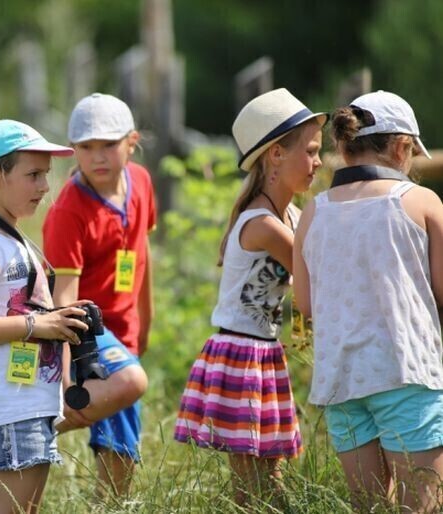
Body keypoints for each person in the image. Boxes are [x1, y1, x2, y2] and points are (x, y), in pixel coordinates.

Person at [174, 88, 326, 504]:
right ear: (275, 155)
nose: (319, 162)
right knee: (254, 485)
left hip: (262, 350)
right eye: (310, 152)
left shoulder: (290, 215)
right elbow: (315, 271)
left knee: (268, 476)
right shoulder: (263, 224)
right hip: (241, 354)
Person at [293, 90, 443, 512]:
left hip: (340, 379)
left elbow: (304, 303)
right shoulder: (421, 201)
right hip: (405, 371)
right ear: (401, 147)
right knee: (423, 506)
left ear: (342, 146)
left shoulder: (313, 212)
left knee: (369, 507)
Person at [0, 119, 89, 514]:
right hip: (5, 409)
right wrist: (37, 325)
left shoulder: (10, 236)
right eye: (33, 175)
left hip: (28, 405)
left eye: (46, 175)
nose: (45, 186)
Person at [42, 93, 151, 496]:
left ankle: (110, 506)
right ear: (73, 151)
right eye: (86, 147)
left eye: (108, 144)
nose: (97, 156)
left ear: (132, 141)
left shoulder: (141, 182)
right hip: (85, 327)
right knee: (132, 382)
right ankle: (38, 422)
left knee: (122, 446)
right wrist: (66, 376)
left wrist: (146, 321)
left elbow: (142, 256)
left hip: (126, 330)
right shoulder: (69, 211)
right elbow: (63, 302)